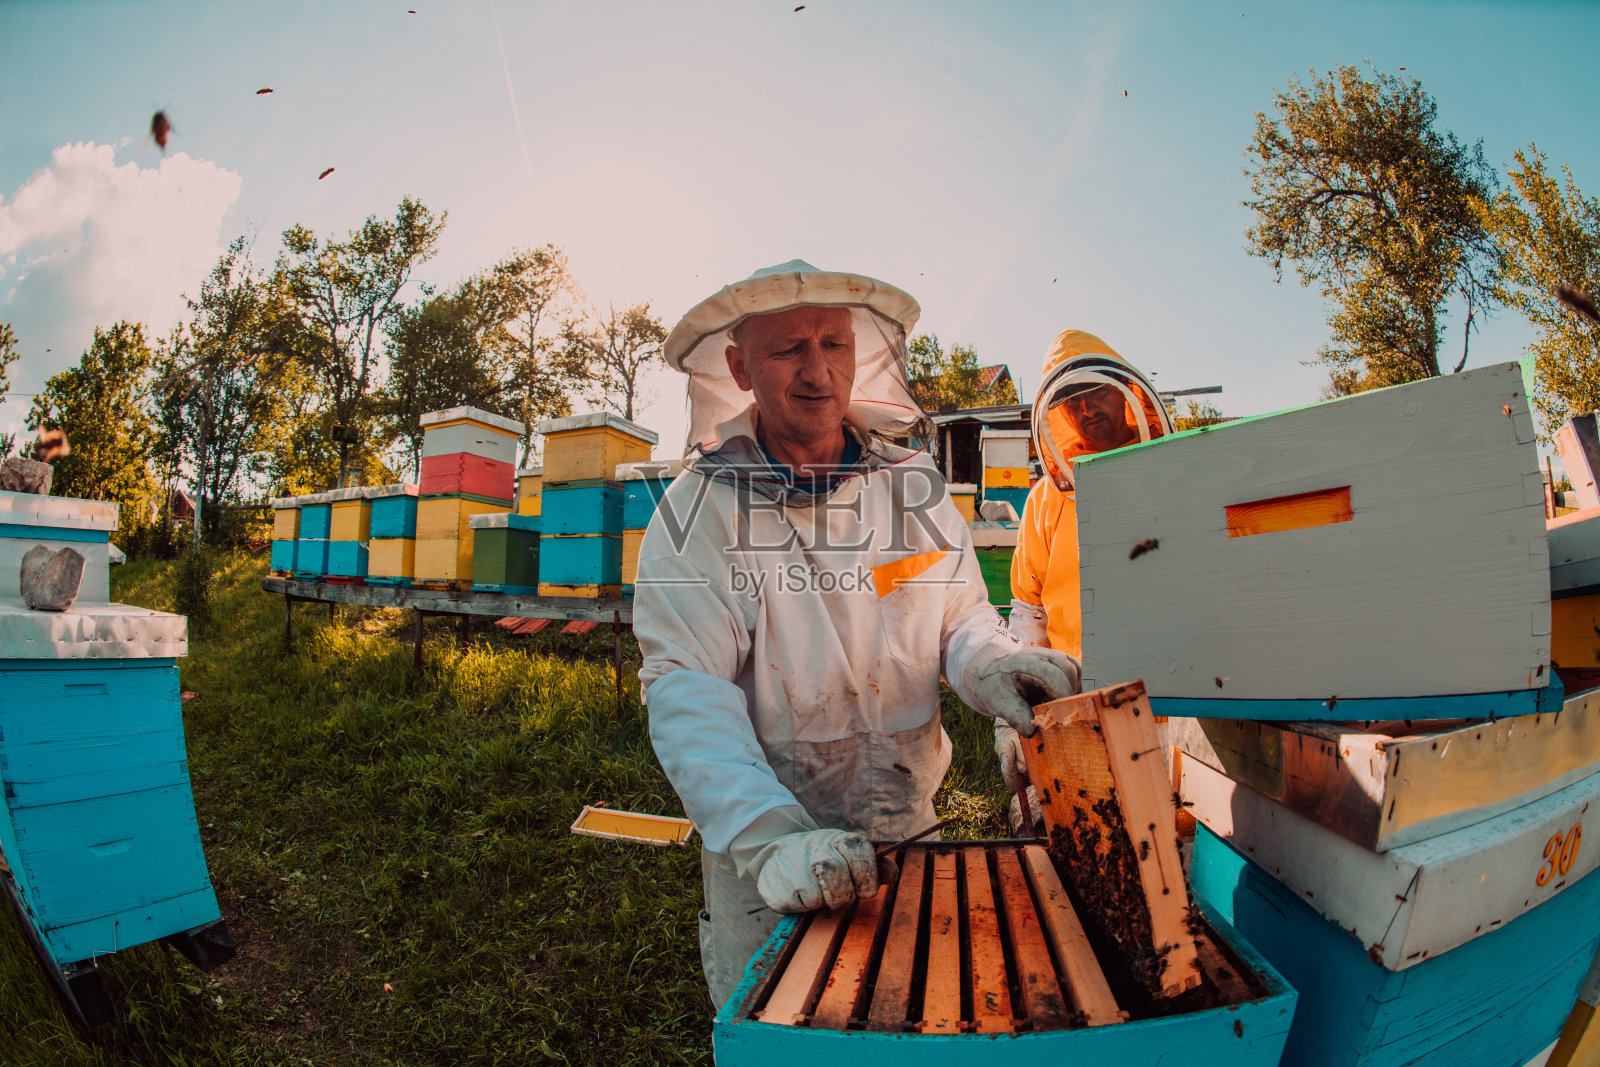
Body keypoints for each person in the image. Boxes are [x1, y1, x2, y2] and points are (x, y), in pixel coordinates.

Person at [635, 261, 1082, 1007]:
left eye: (834, 343)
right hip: (768, 862)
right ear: (740, 367)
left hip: (909, 830)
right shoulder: (699, 515)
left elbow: (960, 618)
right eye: (788, 350)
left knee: (920, 1018)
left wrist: (994, 665)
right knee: (785, 1039)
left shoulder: (914, 488)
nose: (819, 371)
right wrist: (770, 836)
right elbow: (688, 690)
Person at [995, 329, 1173, 824]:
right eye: (1073, 403)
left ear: (1126, 394)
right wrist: (1020, 700)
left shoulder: (1175, 475)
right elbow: (1028, 607)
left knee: (1168, 825)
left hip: (1166, 694)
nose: (1089, 410)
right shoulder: (1045, 500)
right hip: (1074, 700)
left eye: (1098, 394)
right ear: (1057, 415)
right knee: (1075, 827)